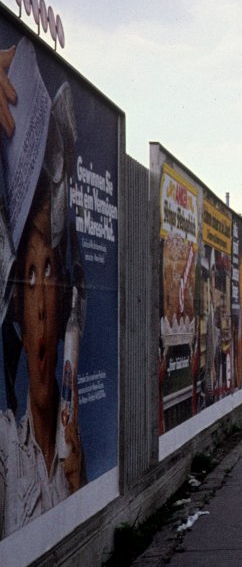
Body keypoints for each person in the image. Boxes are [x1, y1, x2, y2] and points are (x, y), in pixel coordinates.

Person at [1, 65, 86, 535]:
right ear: (15, 307)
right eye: (28, 278)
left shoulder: (74, 448)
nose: (39, 305)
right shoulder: (5, 451)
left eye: (48, 272)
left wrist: (78, 480)